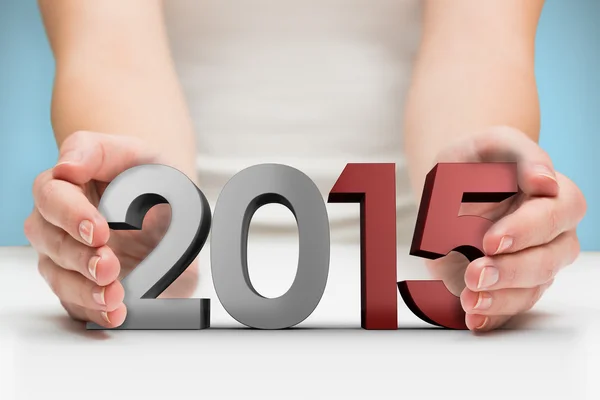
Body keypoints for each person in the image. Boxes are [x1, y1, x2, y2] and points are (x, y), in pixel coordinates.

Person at [25, 0, 586, 332]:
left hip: (411, 280)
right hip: (189, 283)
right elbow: (108, 52)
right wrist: (138, 216)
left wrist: (477, 219)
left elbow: (480, 47)